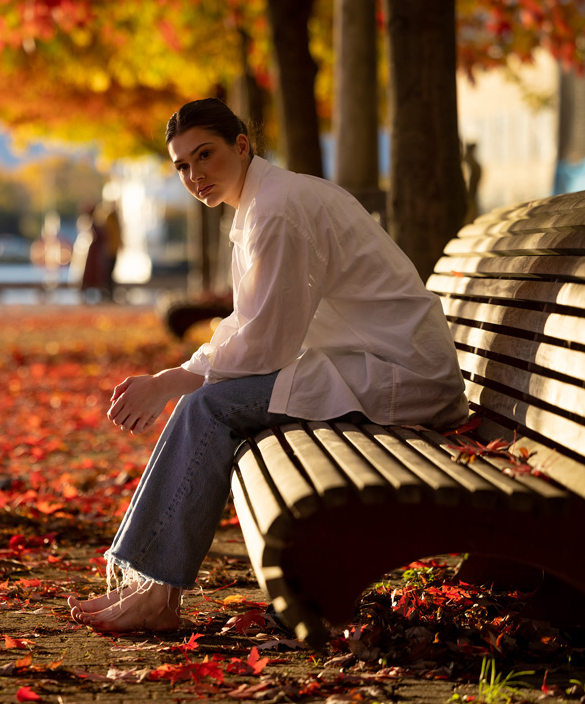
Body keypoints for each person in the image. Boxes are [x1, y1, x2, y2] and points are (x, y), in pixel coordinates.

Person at [67, 98, 469, 633]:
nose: (194, 175)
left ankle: (157, 593)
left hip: (400, 375)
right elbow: (249, 322)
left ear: (241, 145)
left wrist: (170, 380)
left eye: (204, 155)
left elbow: (265, 345)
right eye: (183, 166)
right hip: (365, 363)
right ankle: (149, 584)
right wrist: (182, 372)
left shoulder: (278, 209)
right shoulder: (263, 203)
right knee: (204, 401)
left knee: (207, 407)